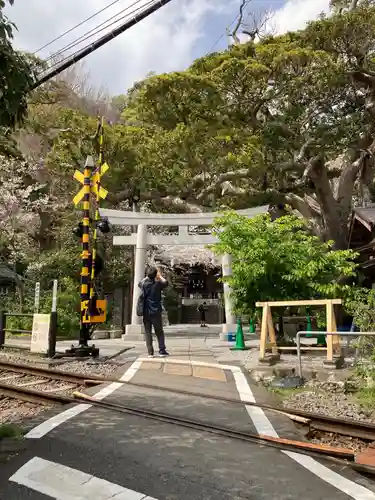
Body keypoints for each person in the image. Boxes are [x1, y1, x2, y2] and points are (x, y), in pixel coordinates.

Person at [139, 267, 169, 357]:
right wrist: (159, 276)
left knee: (148, 332)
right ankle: (162, 350)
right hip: (156, 311)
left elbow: (139, 283)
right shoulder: (158, 284)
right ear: (155, 275)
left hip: (146, 311)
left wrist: (147, 276)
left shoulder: (144, 285)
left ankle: (150, 352)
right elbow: (166, 283)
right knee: (159, 331)